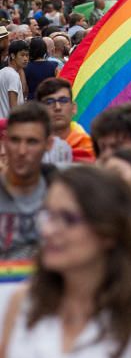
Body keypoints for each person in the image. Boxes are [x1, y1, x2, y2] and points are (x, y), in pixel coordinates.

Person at [0, 165, 131, 358]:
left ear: (108, 231)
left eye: (68, 219)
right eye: (49, 215)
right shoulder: (23, 303)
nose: (49, 230)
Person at [0, 103, 55, 259]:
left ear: (48, 144)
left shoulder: (64, 196)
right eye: (15, 140)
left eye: (32, 142)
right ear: (5, 141)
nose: (22, 151)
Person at [35, 77, 95, 162]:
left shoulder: (88, 147)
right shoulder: (30, 149)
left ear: (74, 108)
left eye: (63, 100)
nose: (57, 107)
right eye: (49, 102)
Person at [0, 40, 27, 118]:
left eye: (27, 55)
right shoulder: (13, 76)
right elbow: (14, 106)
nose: (25, 59)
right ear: (13, 56)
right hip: (9, 123)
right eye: (22, 55)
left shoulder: (2, 72)